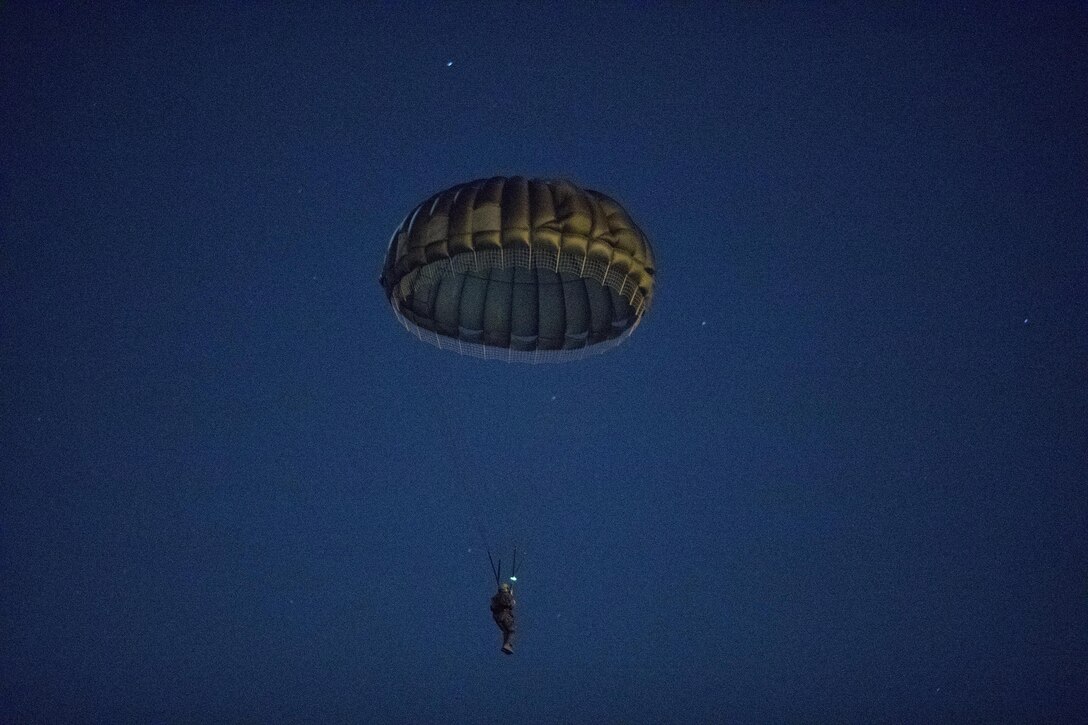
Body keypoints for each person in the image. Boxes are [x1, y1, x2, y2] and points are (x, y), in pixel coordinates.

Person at [490, 582, 516, 655]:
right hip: (505, 615)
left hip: (496, 617)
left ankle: (505, 646)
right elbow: (511, 605)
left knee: (505, 631)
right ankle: (507, 644)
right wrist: (511, 597)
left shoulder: (495, 597)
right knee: (511, 631)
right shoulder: (507, 596)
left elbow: (492, 607)